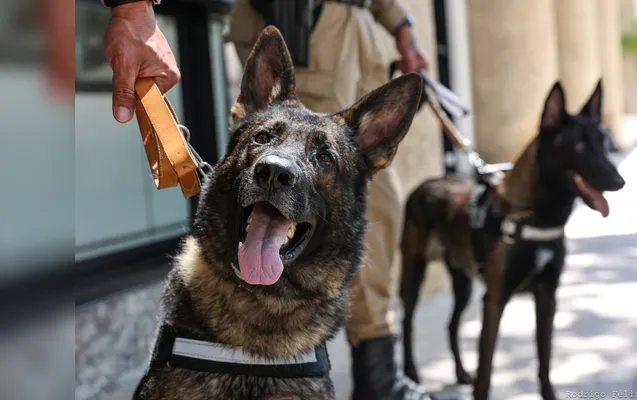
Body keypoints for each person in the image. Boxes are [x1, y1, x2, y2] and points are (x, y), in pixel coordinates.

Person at [103, 1, 453, 399]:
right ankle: (377, 372)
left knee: (377, 203)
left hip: (363, 30)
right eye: (263, 139)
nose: (277, 163)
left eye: (321, 158)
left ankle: (377, 368)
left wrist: (400, 24)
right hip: (304, 20)